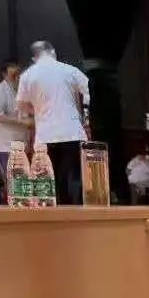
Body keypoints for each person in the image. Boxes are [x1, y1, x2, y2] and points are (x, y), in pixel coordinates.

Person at [16, 41, 89, 205]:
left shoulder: (27, 76)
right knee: (75, 178)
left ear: (34, 58)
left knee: (50, 181)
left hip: (46, 135)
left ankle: (55, 214)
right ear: (53, 52)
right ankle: (78, 212)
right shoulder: (69, 70)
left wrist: (38, 110)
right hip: (72, 132)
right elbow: (87, 91)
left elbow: (21, 105)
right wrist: (84, 116)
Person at [0, 61, 31, 204]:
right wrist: (21, 121)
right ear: (4, 75)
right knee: (12, 183)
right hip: (5, 146)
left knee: (22, 183)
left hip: (22, 145)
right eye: (13, 75)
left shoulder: (21, 91)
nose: (17, 77)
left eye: (19, 74)